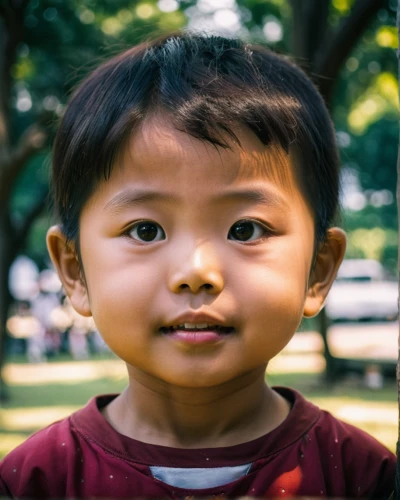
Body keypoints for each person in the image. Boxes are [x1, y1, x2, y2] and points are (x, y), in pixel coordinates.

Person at [0, 32, 395, 498]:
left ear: (319, 270)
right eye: (146, 230)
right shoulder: (35, 480)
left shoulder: (363, 477)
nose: (196, 271)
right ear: (74, 271)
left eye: (245, 229)